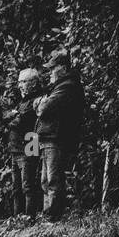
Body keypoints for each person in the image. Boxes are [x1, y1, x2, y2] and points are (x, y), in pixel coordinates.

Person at [35, 51, 86, 219]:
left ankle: (54, 215)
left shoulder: (68, 86)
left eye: (52, 69)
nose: (50, 73)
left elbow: (43, 109)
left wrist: (41, 103)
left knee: (53, 179)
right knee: (46, 180)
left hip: (56, 138)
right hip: (48, 138)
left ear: (63, 68)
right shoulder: (60, 86)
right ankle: (50, 213)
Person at [2, 66, 43, 218]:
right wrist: (12, 117)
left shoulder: (36, 99)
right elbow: (7, 118)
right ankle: (17, 217)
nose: (20, 85)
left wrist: (13, 117)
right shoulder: (22, 101)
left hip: (30, 142)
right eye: (19, 82)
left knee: (28, 184)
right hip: (16, 147)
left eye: (24, 82)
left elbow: (21, 121)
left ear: (33, 83)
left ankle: (29, 217)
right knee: (16, 187)